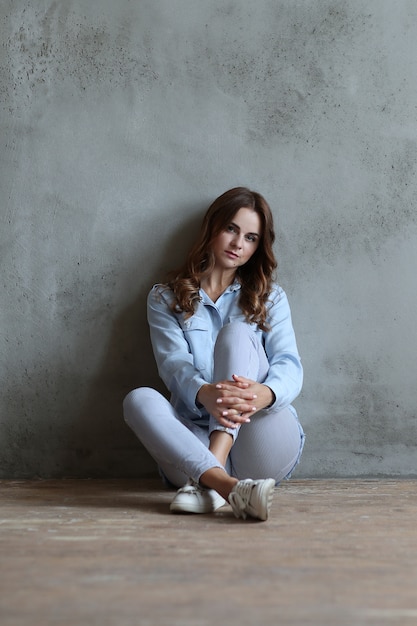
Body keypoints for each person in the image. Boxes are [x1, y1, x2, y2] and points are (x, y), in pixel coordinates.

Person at [123, 187, 304, 521]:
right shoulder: (165, 298)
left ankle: (212, 478)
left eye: (251, 238)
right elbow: (173, 365)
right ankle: (225, 485)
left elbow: (289, 366)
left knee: (236, 334)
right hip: (193, 442)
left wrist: (264, 393)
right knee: (138, 399)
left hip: (260, 439)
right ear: (212, 228)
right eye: (231, 229)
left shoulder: (271, 298)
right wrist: (205, 393)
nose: (238, 244)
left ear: (257, 247)